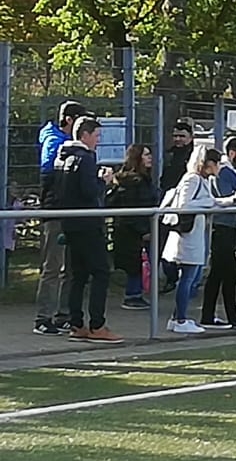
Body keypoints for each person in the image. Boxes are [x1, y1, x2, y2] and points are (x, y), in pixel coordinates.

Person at [52, 116, 121, 343]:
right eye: (96, 136)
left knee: (78, 275)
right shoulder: (86, 158)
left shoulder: (62, 158)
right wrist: (104, 181)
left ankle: (76, 323)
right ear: (85, 135)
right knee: (101, 271)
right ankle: (97, 325)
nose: (98, 141)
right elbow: (89, 191)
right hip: (88, 223)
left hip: (70, 223)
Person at [162, 146, 236, 334]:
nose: (220, 167)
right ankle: (180, 319)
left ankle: (177, 317)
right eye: (217, 163)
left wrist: (230, 200)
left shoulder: (203, 180)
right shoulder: (192, 179)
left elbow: (211, 201)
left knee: (192, 277)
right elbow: (184, 205)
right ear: (208, 164)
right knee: (188, 278)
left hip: (196, 234)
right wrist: (208, 203)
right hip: (187, 235)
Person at [34, 99, 87, 335]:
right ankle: (43, 318)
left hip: (70, 211)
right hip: (56, 211)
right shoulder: (54, 141)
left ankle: (63, 314)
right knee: (52, 266)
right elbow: (50, 174)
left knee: (70, 267)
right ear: (69, 120)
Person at [202, 137, 236, 328]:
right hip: (221, 227)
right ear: (232, 153)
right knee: (227, 273)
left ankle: (210, 316)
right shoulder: (223, 172)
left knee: (219, 274)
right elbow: (229, 197)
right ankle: (232, 317)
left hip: (230, 226)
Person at [105, 144, 157, 309]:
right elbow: (134, 207)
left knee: (139, 262)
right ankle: (133, 294)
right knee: (136, 263)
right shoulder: (134, 182)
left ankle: (136, 292)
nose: (150, 158)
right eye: (146, 155)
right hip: (133, 229)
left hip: (133, 228)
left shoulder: (139, 179)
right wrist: (144, 230)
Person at [156, 118, 195, 290]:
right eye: (175, 136)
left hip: (187, 204)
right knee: (164, 242)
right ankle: (171, 278)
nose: (178, 139)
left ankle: (188, 281)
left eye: (182, 136)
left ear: (190, 137)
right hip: (168, 202)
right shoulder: (168, 155)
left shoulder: (194, 156)